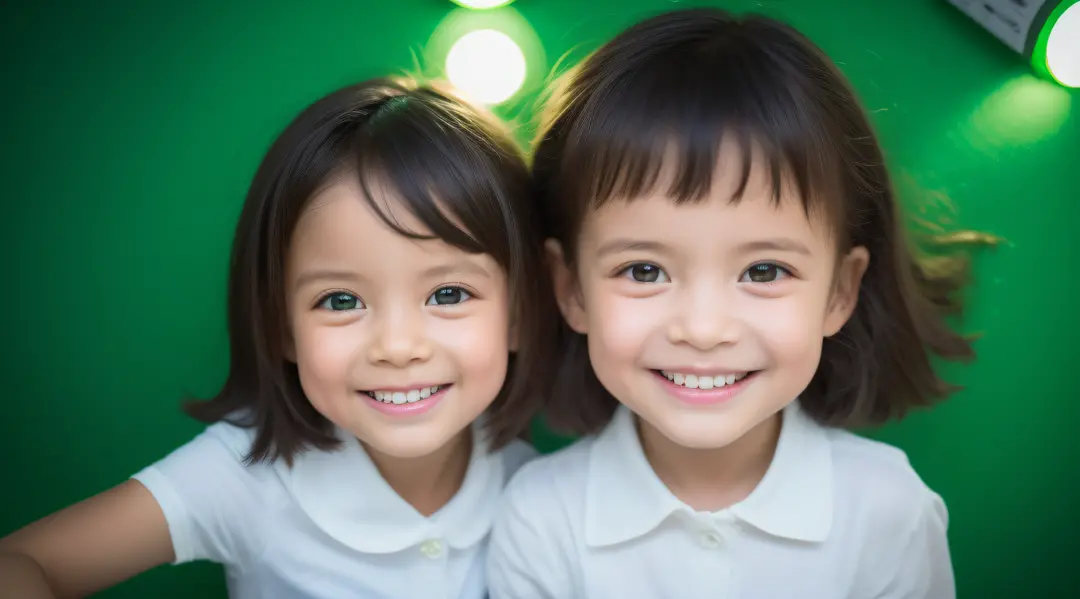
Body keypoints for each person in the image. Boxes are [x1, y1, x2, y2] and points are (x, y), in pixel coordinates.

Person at [0, 77, 556, 599]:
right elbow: (25, 561)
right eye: (341, 301)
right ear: (280, 327)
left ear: (519, 312)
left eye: (449, 294)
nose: (397, 345)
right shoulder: (241, 476)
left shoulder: (529, 483)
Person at [488, 8, 974, 599]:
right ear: (569, 288)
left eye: (764, 270)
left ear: (840, 291)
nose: (703, 328)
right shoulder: (539, 519)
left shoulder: (889, 512)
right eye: (644, 270)